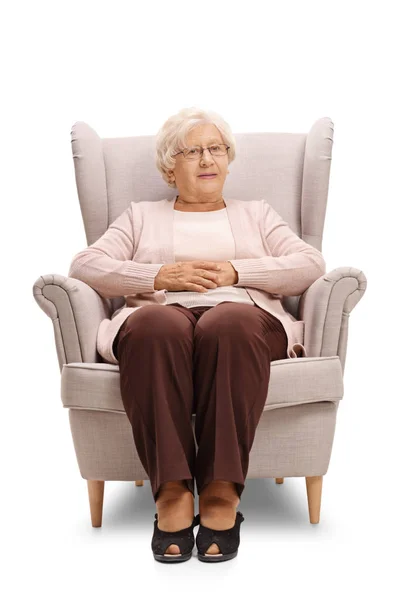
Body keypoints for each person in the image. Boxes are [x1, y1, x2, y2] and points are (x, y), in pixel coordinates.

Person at [68, 106, 326, 562]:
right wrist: (156, 278)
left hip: (244, 318)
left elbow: (310, 265)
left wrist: (237, 270)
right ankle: (171, 490)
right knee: (152, 324)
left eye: (216, 149)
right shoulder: (141, 216)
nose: (208, 159)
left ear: (228, 159)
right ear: (170, 166)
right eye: (193, 151)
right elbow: (85, 265)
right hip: (163, 317)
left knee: (228, 322)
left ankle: (222, 489)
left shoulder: (257, 214)